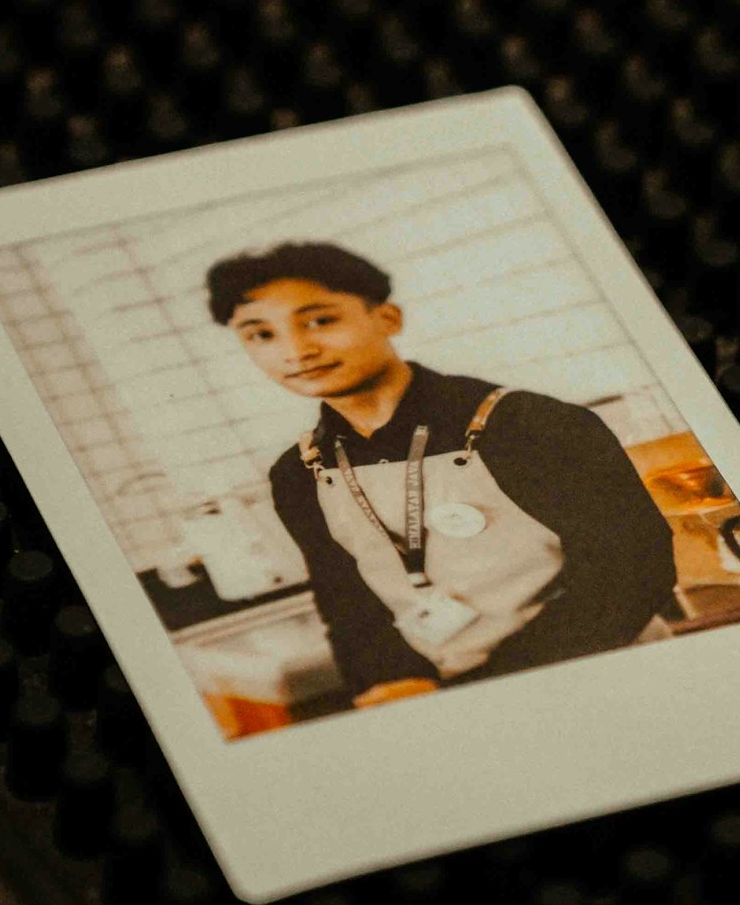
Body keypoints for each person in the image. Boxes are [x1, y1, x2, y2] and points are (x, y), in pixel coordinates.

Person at [206, 239, 677, 702]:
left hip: (607, 676)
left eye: (320, 321)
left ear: (387, 318)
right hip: (451, 697)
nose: (296, 350)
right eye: (260, 335)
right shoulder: (298, 471)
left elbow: (631, 570)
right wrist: (387, 685)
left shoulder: (527, 423)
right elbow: (347, 604)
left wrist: (498, 687)